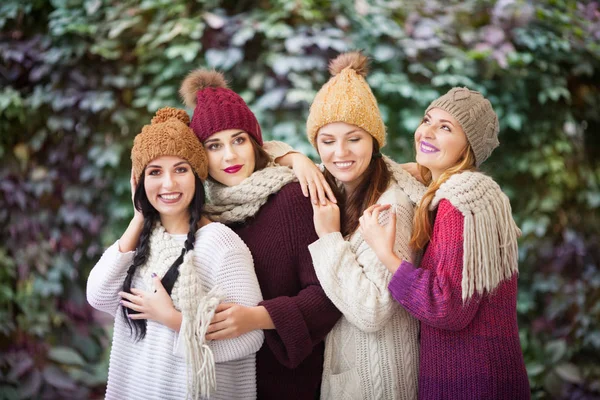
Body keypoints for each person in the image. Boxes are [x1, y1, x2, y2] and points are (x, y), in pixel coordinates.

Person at [179, 69, 341, 400]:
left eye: (239, 140)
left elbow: (328, 295)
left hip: (285, 382)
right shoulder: (199, 213)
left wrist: (258, 317)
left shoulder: (292, 198)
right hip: (221, 383)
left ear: (255, 144)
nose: (230, 156)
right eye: (214, 145)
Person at [360, 87, 531, 399]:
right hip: (490, 377)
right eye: (428, 119)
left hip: (466, 383)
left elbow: (446, 307)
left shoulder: (458, 203)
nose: (428, 131)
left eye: (445, 127)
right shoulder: (473, 195)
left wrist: (384, 252)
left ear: (468, 148)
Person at [86, 107, 264, 400]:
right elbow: (99, 295)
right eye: (155, 172)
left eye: (181, 169)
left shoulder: (221, 244)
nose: (168, 184)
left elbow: (249, 337)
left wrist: (171, 318)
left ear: (197, 177)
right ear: (139, 180)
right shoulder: (142, 241)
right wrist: (137, 218)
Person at [300, 51, 423, 400]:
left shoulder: (389, 206)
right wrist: (294, 160)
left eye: (354, 138)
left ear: (373, 140)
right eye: (327, 141)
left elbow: (372, 312)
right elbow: (261, 155)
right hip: (351, 375)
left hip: (380, 378)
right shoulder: (333, 190)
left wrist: (328, 236)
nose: (340, 152)